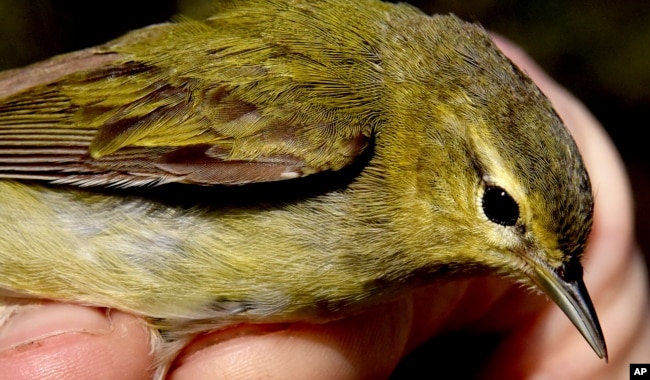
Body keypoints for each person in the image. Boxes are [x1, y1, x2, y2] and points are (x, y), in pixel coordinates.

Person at [0, 37, 647, 380]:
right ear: (442, 146)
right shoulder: (324, 122)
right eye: (501, 207)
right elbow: (87, 126)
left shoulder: (417, 254)